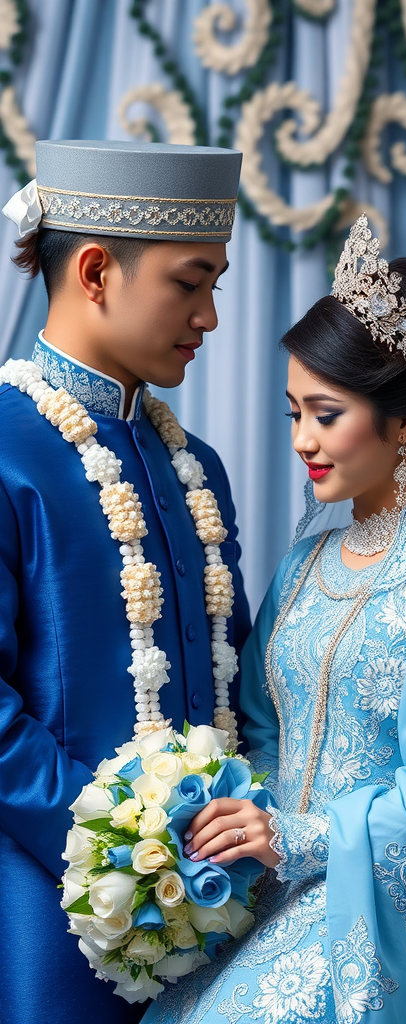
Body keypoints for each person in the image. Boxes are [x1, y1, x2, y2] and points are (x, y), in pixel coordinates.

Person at [142, 216, 406, 1023]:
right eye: (293, 415)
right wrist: (236, 825)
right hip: (272, 892)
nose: (304, 441)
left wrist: (299, 838)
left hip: (393, 910)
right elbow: (262, 728)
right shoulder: (305, 565)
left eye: (326, 413)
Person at [0, 140, 251, 1024]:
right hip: (47, 905)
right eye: (190, 283)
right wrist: (114, 845)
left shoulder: (195, 467)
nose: (209, 316)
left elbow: (236, 678)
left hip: (221, 903)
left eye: (215, 285)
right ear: (97, 272)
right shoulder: (5, 447)